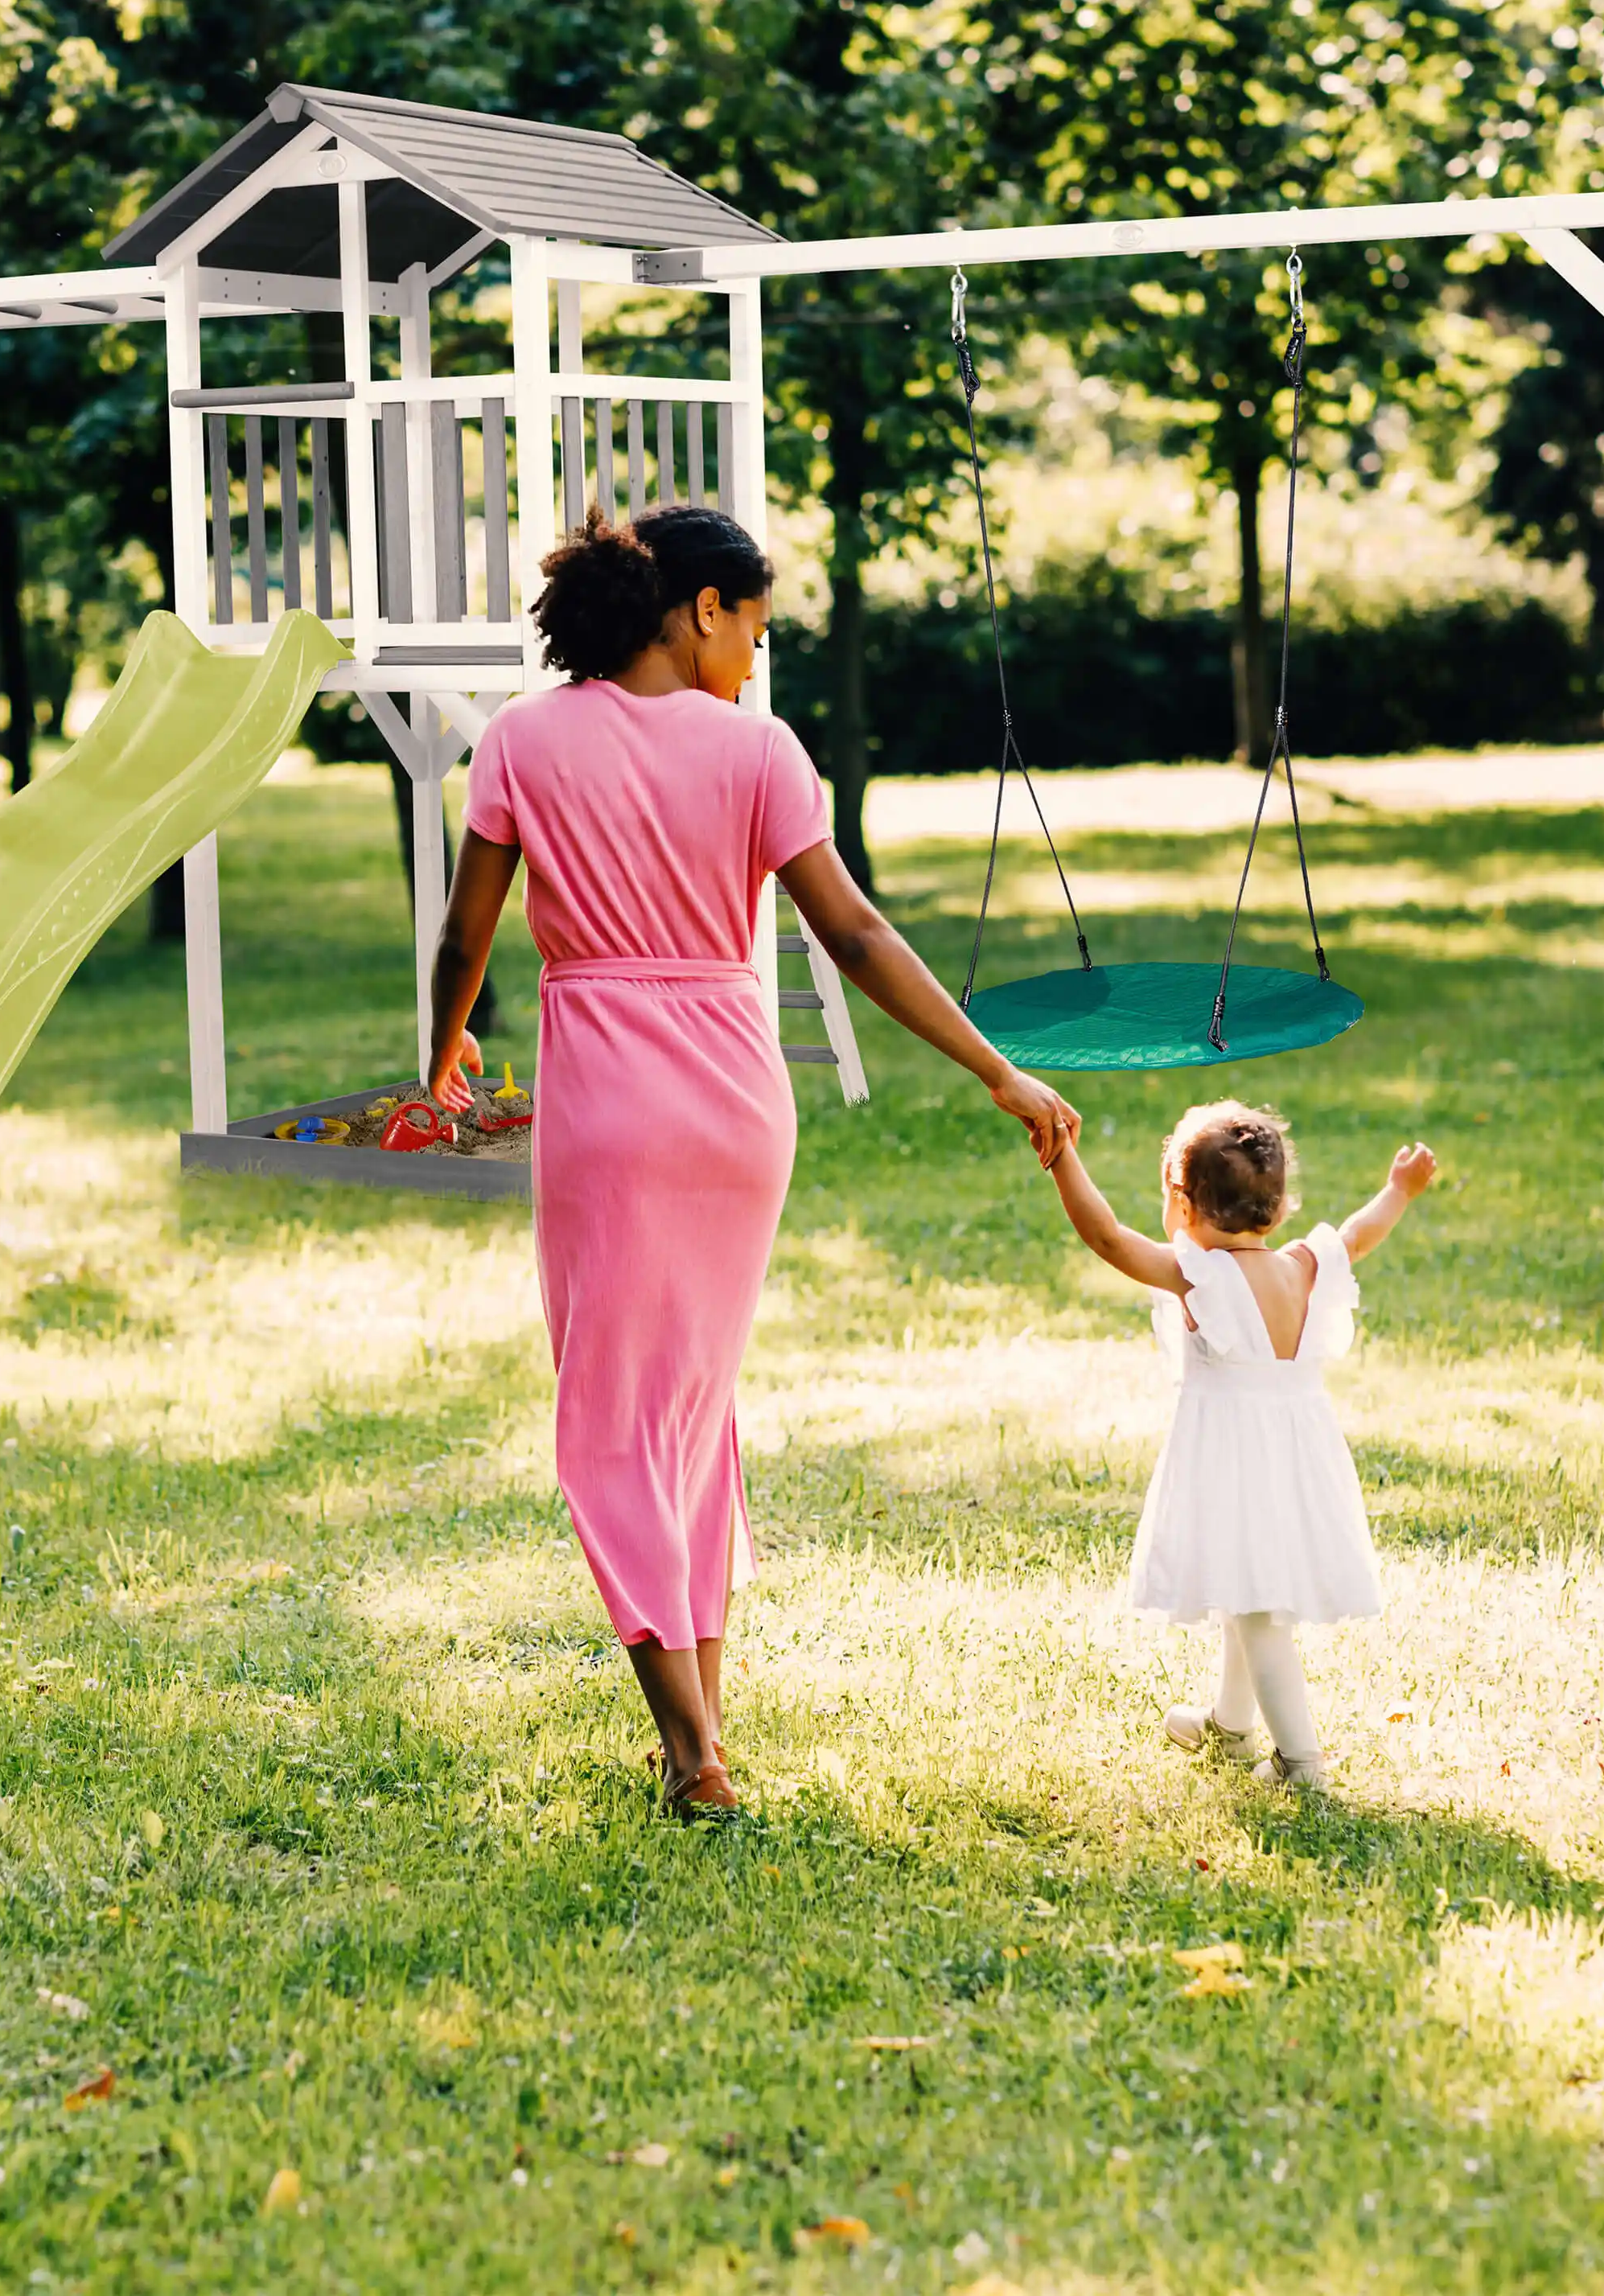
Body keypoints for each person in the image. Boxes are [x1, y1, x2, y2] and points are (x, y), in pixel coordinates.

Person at [424, 504, 1080, 1819]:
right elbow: (855, 934)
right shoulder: (760, 753)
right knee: (689, 1412)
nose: (756, 660)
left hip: (608, 1101)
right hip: (735, 1103)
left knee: (614, 1423)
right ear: (700, 609)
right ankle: (703, 1727)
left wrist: (438, 1056)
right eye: (756, 630)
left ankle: (689, 1751)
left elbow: (466, 935)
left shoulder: (522, 741)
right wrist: (995, 1066)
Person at [1043, 1101, 1439, 1790]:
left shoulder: (1200, 1277)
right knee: (1243, 1586)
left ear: (1183, 1204)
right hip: (1296, 1458)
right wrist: (1398, 1190)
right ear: (1278, 1208)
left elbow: (1107, 1237)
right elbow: (1359, 1233)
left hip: (1235, 1462)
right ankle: (1230, 1726)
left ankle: (1300, 1762)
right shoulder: (1305, 1265)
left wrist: (1062, 1157)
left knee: (1257, 1612)